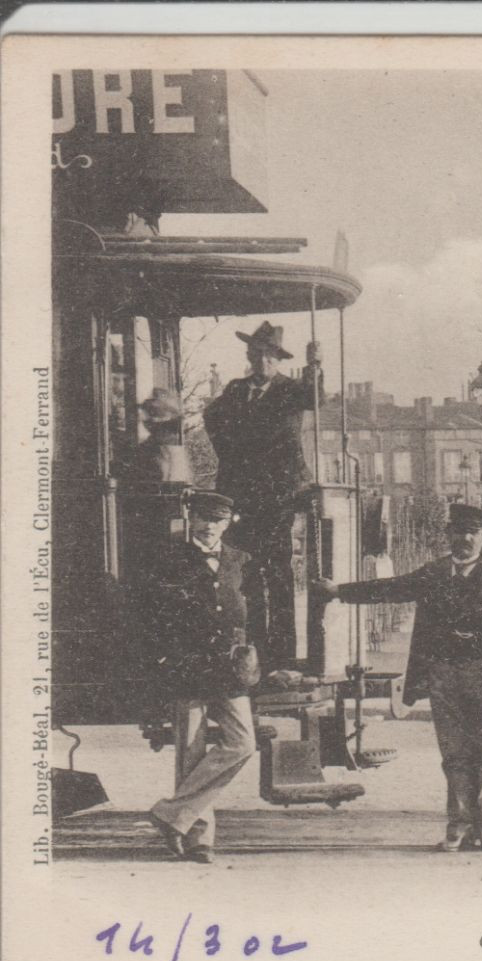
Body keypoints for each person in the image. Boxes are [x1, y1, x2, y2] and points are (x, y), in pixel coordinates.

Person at [316, 504, 482, 852]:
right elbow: (391, 588)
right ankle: (459, 826)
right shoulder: (434, 573)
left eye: (473, 533)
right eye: (458, 532)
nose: (465, 539)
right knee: (454, 756)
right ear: (448, 536)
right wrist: (340, 591)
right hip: (444, 677)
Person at [141, 492, 260, 864]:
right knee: (190, 754)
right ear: (190, 519)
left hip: (229, 667)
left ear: (229, 523)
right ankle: (198, 840)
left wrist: (257, 658)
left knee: (242, 743)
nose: (209, 526)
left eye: (218, 519)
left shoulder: (241, 560)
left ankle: (169, 813)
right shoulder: (168, 558)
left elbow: (255, 613)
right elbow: (150, 614)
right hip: (186, 666)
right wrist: (160, 657)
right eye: (203, 518)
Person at [204, 321, 318, 669]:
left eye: (269, 356)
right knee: (245, 578)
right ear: (249, 356)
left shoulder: (290, 390)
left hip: (279, 497)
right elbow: (212, 417)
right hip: (242, 496)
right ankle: (252, 654)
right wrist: (231, 455)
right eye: (257, 354)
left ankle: (281, 658)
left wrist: (315, 367)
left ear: (278, 360)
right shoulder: (236, 391)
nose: (263, 361)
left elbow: (314, 398)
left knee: (279, 575)